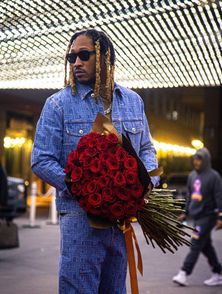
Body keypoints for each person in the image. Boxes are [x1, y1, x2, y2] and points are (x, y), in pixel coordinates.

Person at [31, 28, 159, 294]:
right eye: (71, 57)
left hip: (121, 222)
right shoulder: (58, 104)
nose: (76, 63)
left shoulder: (134, 102)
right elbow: (41, 159)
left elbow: (147, 148)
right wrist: (85, 188)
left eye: (84, 55)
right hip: (80, 221)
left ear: (105, 57)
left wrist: (145, 185)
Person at [172, 147, 222, 287]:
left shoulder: (214, 176)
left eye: (199, 159)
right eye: (195, 159)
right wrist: (185, 212)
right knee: (205, 246)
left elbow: (220, 197)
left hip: (207, 217)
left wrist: (221, 217)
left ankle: (183, 273)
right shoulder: (192, 176)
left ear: (206, 160)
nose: (196, 162)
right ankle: (219, 273)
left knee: (196, 242)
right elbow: (190, 196)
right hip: (197, 217)